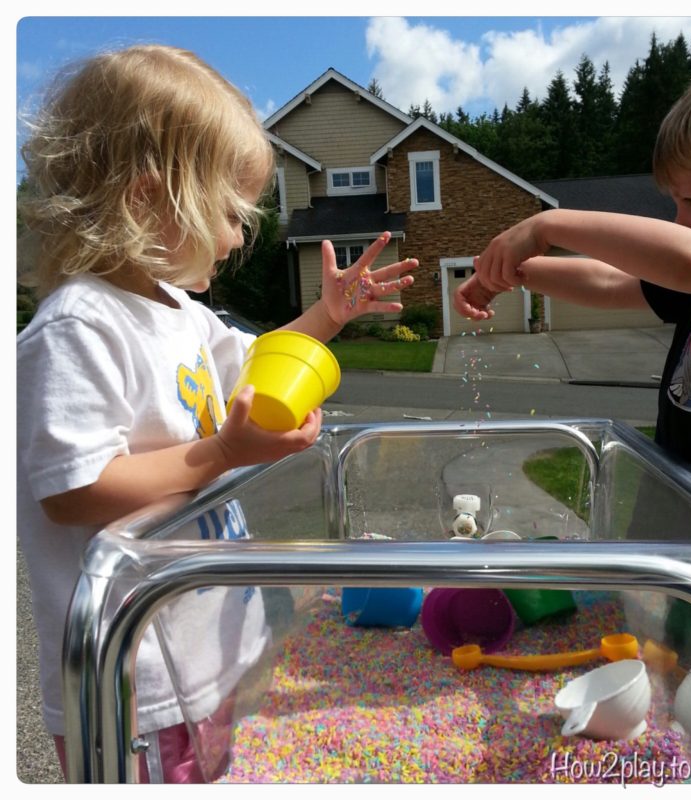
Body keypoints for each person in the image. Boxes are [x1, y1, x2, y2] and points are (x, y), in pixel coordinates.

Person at [16, 44, 417, 783]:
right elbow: (72, 489)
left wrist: (327, 317)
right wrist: (221, 456)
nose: (237, 239)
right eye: (230, 214)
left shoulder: (178, 312)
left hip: (208, 655)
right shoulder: (79, 327)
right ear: (147, 200)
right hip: (137, 685)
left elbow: (259, 360)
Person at [455, 30, 691, 777]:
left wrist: (550, 221)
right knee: (668, 699)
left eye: (690, 199)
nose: (678, 217)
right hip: (685, 533)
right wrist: (518, 272)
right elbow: (614, 285)